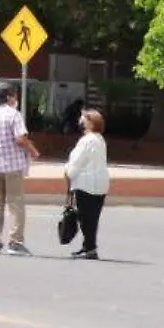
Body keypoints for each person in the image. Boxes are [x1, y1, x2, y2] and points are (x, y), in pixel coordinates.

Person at [0, 83, 40, 256]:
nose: (16, 100)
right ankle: (16, 242)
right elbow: (20, 139)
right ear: (9, 97)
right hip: (13, 167)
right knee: (16, 204)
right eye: (14, 96)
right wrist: (33, 151)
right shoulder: (14, 115)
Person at [65, 108, 111, 260]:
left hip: (86, 183)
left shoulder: (86, 141)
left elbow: (77, 162)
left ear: (90, 123)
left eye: (84, 119)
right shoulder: (100, 140)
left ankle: (90, 247)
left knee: (85, 217)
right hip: (100, 183)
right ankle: (89, 246)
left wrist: (68, 173)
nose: (81, 121)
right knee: (93, 217)